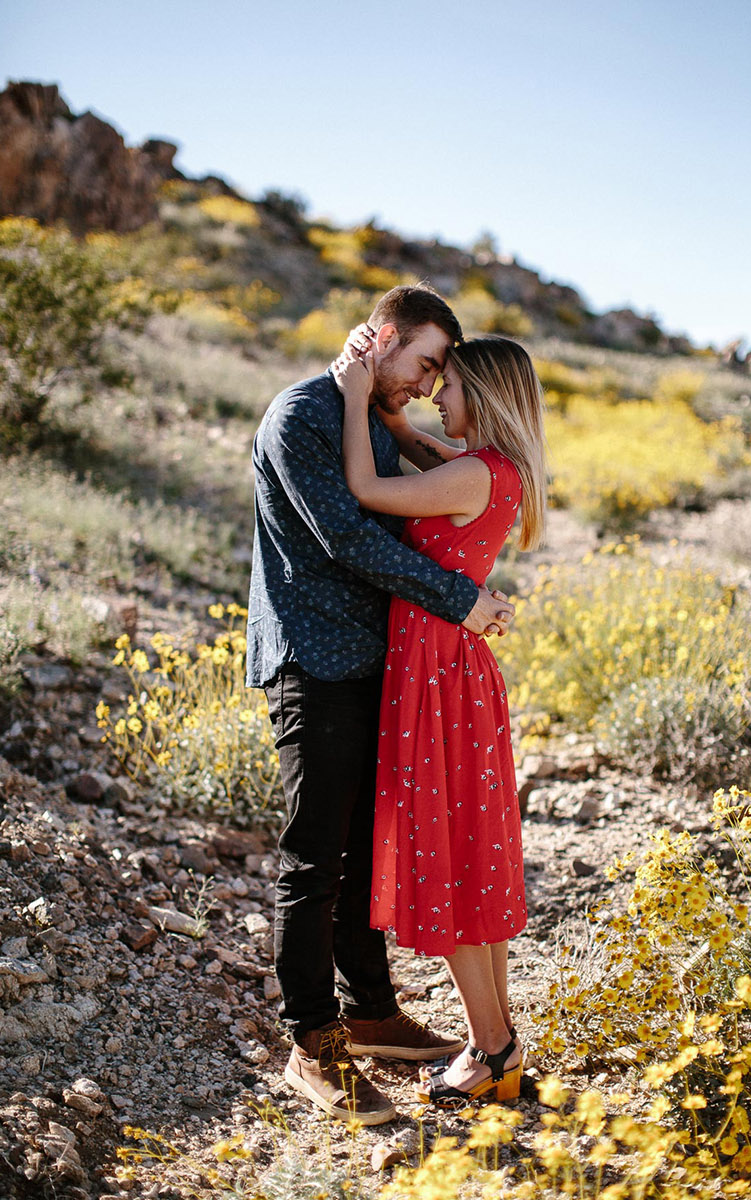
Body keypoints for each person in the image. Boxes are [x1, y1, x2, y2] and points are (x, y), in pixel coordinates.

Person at [246, 283, 514, 1126]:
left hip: (377, 663)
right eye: (426, 362)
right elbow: (349, 537)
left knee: (369, 852)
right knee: (314, 854)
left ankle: (371, 1012)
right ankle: (311, 1044)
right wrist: (458, 597)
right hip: (315, 664)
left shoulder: (371, 417)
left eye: (443, 372)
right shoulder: (299, 418)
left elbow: (421, 514)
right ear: (382, 337)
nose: (430, 384)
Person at [332, 331, 547, 1105]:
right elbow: (431, 460)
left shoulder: (471, 477)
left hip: (435, 677)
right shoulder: (496, 471)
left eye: (448, 386)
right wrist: (397, 428)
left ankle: (491, 1048)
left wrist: (357, 397)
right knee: (469, 855)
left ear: (480, 400)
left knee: (448, 859)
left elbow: (362, 488)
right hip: (454, 671)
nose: (434, 396)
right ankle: (499, 1044)